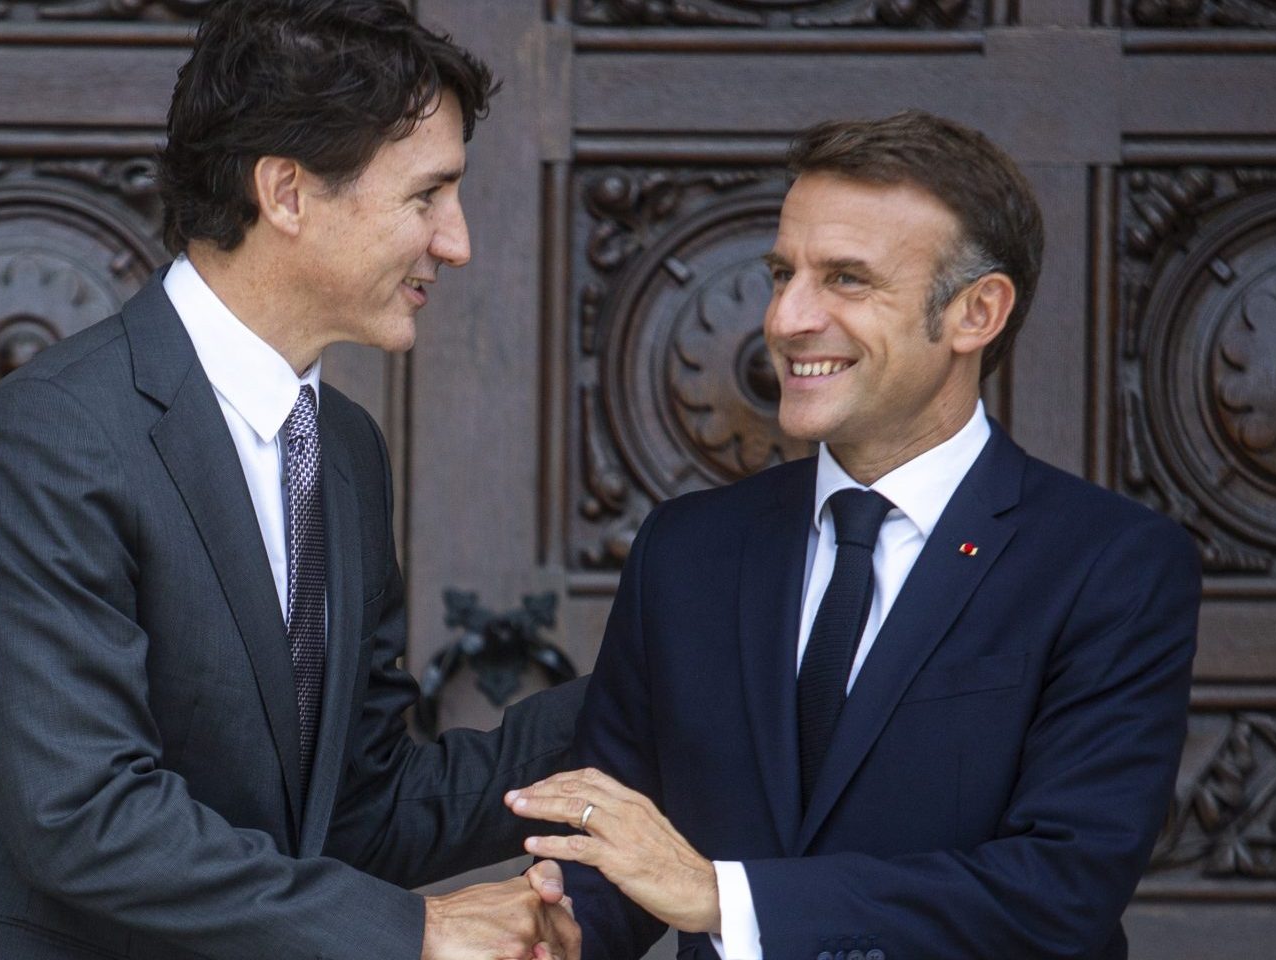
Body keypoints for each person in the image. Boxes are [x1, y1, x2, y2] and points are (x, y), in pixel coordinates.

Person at [0, 2, 584, 958]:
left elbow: (361, 809)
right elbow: (86, 815)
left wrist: (657, 690)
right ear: (286, 193)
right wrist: (417, 931)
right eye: (427, 196)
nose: (456, 242)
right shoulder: (55, 433)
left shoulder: (344, 450)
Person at [505, 111, 1200, 960]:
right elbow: (615, 840)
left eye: (845, 279)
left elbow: (1059, 892)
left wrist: (727, 897)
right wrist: (560, 929)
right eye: (782, 272)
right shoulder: (685, 550)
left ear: (977, 312)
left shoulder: (1113, 566)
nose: (787, 318)